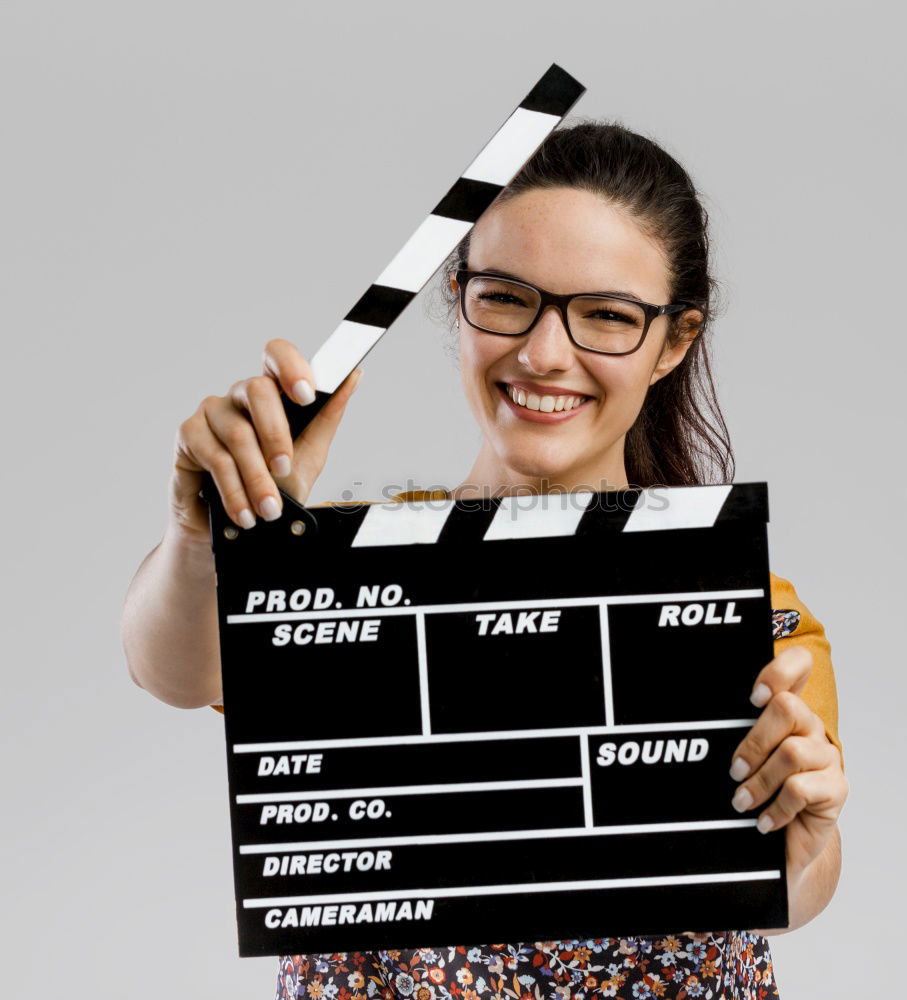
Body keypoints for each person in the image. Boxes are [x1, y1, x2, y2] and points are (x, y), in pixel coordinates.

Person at [122, 121, 848, 1000]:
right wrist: (209, 538)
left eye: (608, 315)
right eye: (506, 296)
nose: (544, 353)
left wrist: (792, 856)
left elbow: (798, 879)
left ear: (675, 340)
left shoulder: (746, 603)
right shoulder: (345, 570)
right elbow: (170, 665)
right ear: (458, 297)